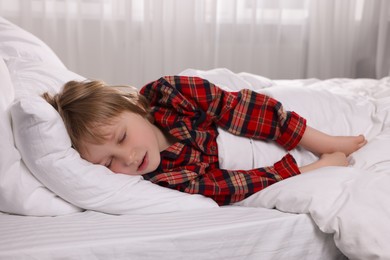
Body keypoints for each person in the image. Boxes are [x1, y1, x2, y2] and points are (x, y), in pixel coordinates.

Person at [43, 76, 367, 206]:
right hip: (277, 161)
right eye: (106, 163)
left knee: (351, 114)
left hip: (283, 118)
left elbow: (246, 108)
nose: (126, 159)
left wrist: (322, 144)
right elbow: (233, 186)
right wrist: (315, 169)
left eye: (123, 138)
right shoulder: (167, 177)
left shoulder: (172, 94)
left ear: (136, 107)